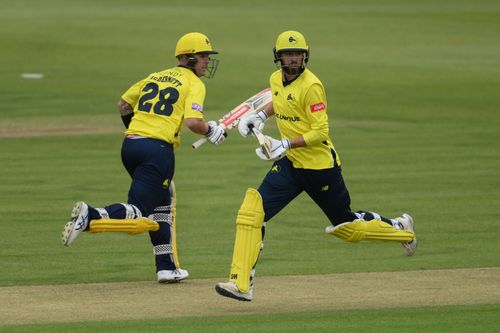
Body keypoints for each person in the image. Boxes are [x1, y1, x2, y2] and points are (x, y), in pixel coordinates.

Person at [215, 30, 417, 301]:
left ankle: (400, 229)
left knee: (347, 228)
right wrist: (260, 115)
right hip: (291, 167)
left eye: (298, 54)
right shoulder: (276, 78)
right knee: (252, 211)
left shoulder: (312, 86)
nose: (293, 59)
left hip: (321, 168)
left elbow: (320, 132)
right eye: (288, 54)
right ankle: (240, 284)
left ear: (305, 55)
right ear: (278, 57)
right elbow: (280, 98)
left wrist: (284, 145)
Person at [61, 32, 227, 283]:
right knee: (138, 211)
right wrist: (212, 130)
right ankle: (91, 215)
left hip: (130, 146)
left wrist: (137, 130)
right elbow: (193, 122)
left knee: (164, 199)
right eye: (203, 56)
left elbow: (123, 105)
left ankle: (166, 267)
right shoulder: (194, 83)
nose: (206, 61)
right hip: (157, 151)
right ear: (187, 58)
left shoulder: (156, 75)